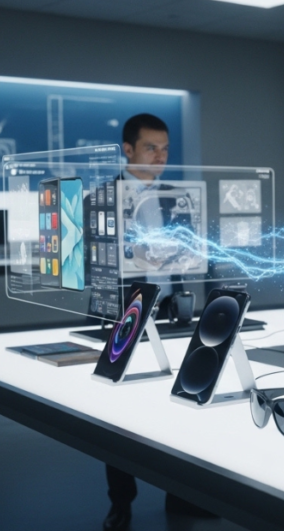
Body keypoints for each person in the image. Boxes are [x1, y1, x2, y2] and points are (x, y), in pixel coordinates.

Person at [102, 114, 216, 531]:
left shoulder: (177, 196)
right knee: (119, 414)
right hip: (123, 316)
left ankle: (183, 494)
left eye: (166, 148)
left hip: (172, 312)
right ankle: (121, 503)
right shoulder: (103, 197)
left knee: (181, 403)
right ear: (128, 150)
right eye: (151, 148)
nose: (161, 157)